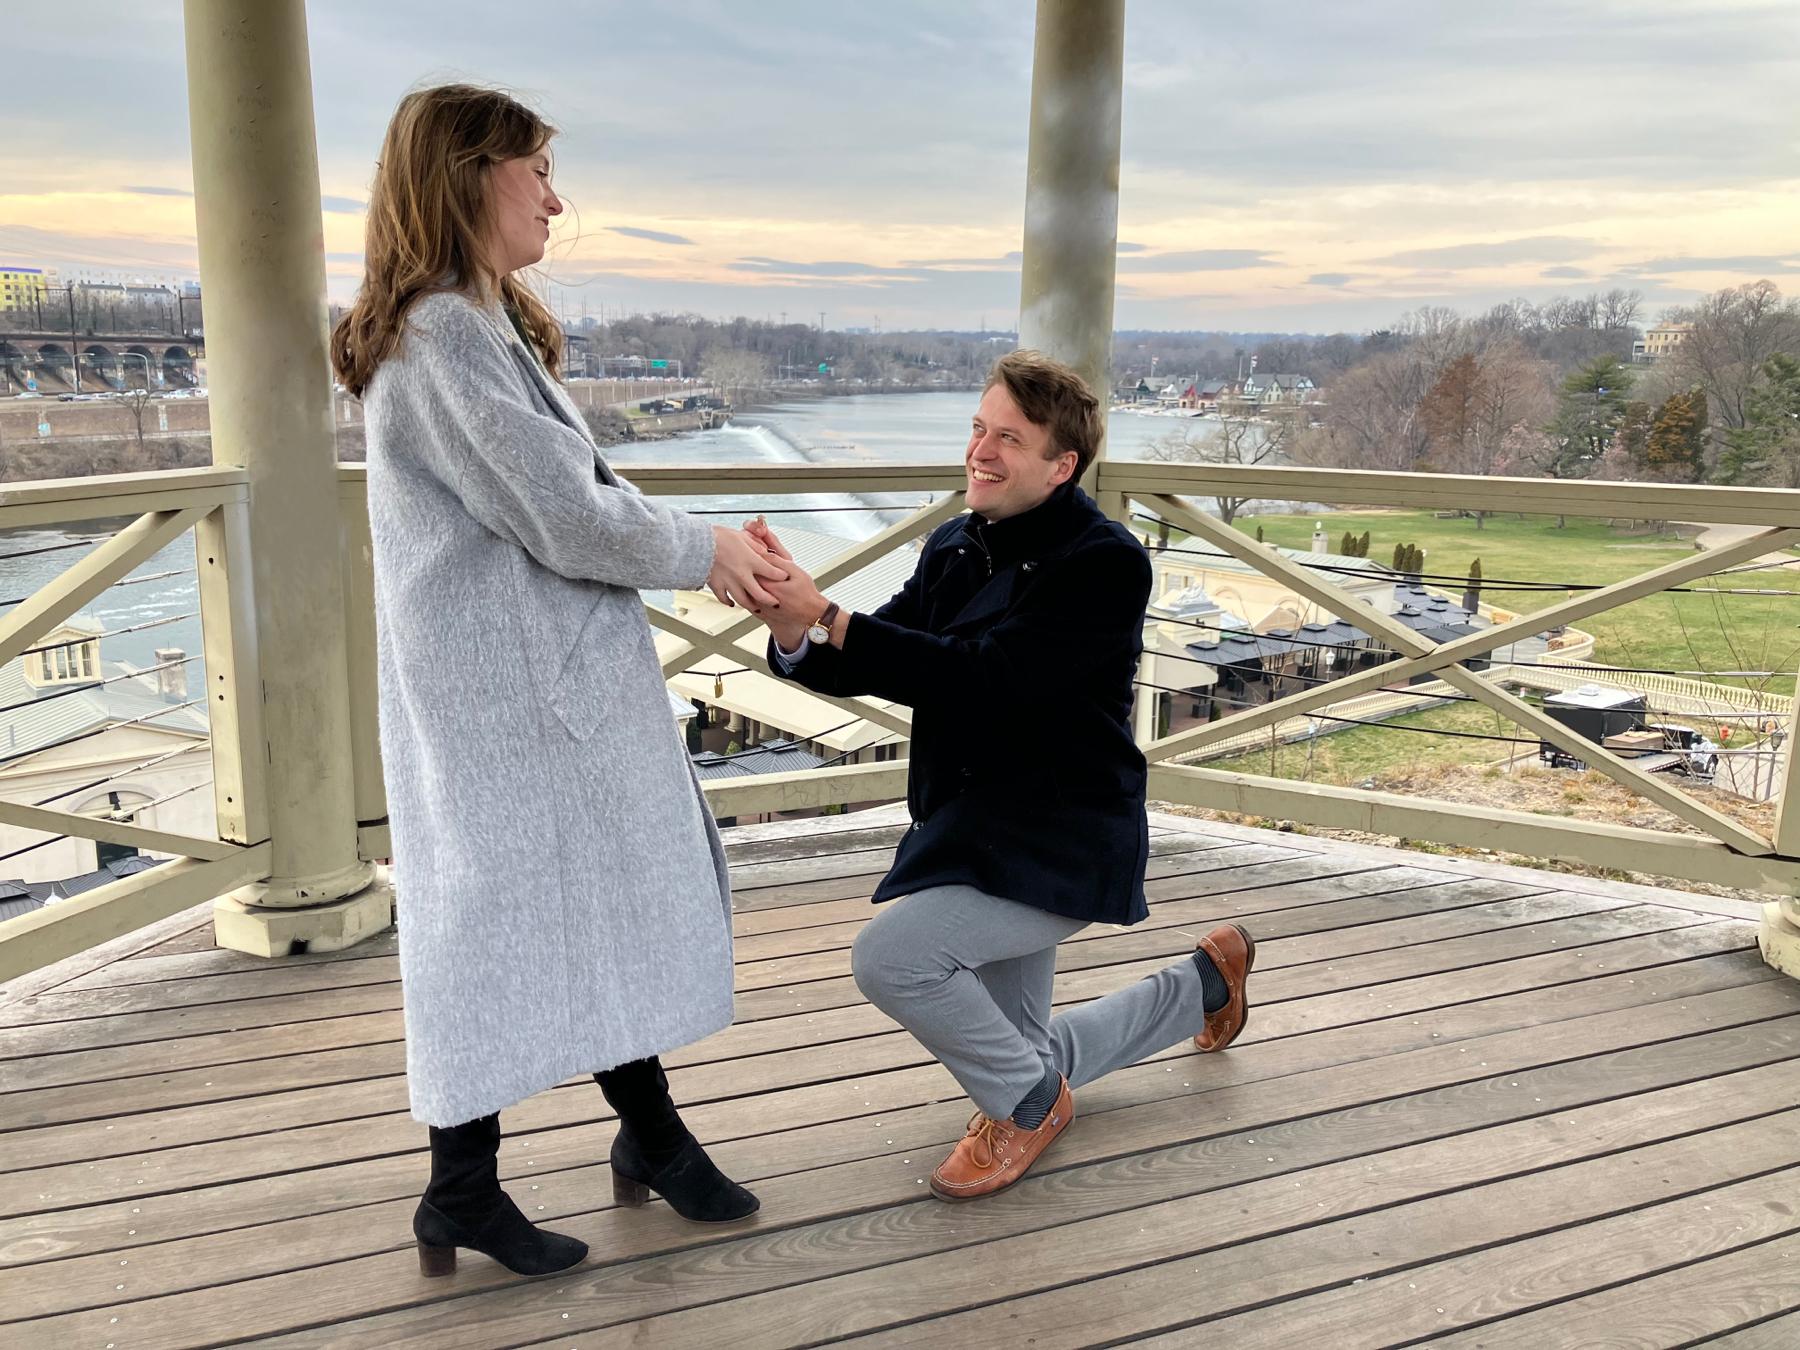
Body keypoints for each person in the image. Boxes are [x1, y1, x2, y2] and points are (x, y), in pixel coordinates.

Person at [333, 84, 779, 1279]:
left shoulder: (468, 328)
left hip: (533, 695)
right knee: (494, 928)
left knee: (581, 910)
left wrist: (699, 542)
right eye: (536, 169)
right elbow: (565, 516)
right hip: (506, 706)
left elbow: (571, 499)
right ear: (470, 175)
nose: (555, 196)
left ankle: (639, 1139)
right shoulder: (441, 338)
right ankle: (473, 1185)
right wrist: (709, 555)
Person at [755, 350, 1254, 1201]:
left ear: (1061, 467)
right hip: (970, 827)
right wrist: (795, 625)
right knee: (1027, 1047)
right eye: (978, 430)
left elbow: (989, 679)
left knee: (895, 961)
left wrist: (831, 618)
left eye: (1008, 439)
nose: (980, 452)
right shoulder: (956, 541)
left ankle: (1026, 1109)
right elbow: (884, 654)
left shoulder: (1105, 563)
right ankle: (1201, 985)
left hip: (1059, 835)